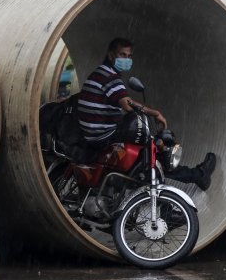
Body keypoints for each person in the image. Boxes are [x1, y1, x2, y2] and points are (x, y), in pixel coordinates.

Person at [77, 37, 216, 190]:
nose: (127, 59)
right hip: (104, 136)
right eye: (122, 55)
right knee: (152, 152)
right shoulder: (109, 77)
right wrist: (155, 113)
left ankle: (192, 177)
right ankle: (196, 176)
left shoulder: (98, 73)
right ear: (111, 56)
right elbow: (127, 104)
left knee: (147, 150)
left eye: (129, 56)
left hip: (92, 134)